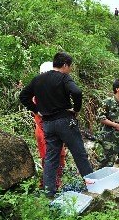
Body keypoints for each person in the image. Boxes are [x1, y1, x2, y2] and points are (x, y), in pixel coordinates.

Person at [19, 52, 93, 197]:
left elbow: (23, 96)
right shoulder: (64, 77)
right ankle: (92, 187)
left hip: (47, 124)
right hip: (65, 122)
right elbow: (77, 92)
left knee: (51, 159)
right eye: (69, 67)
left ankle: (49, 193)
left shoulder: (38, 80)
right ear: (65, 65)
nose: (70, 70)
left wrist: (36, 110)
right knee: (79, 154)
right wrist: (76, 109)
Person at [34, 62, 66, 189]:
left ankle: (54, 185)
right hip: (45, 132)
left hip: (53, 131)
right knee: (50, 159)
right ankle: (49, 188)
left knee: (60, 157)